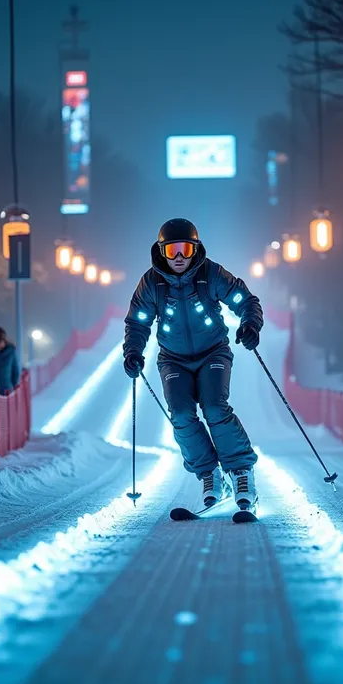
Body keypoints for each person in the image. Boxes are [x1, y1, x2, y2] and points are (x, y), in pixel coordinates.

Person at [123, 218, 263, 510]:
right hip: (173, 359)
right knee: (182, 414)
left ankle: (241, 472)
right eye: (172, 250)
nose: (178, 258)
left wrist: (250, 325)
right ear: (161, 251)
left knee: (214, 407)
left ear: (194, 249)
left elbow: (245, 300)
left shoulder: (210, 273)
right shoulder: (151, 283)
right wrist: (132, 351)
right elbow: (137, 321)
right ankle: (210, 474)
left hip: (213, 353)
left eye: (185, 250)